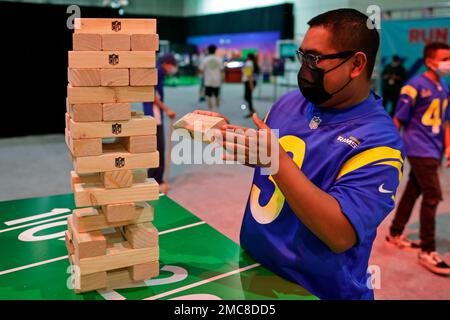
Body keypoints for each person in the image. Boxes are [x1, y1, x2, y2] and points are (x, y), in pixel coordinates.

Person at [194, 9, 403, 299]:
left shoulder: (380, 142)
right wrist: (225, 132)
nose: (305, 70)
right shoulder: (290, 103)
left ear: (356, 64)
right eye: (302, 56)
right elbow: (268, 157)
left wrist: (277, 161)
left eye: (315, 59)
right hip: (255, 272)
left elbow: (340, 233)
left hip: (317, 292)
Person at [386, 42, 450, 275]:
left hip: (434, 148)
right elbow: (398, 119)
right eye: (444, 58)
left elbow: (446, 120)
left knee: (414, 189)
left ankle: (395, 232)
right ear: (430, 61)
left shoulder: (443, 87)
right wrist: (391, 149)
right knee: (433, 195)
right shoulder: (413, 87)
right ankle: (427, 250)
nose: (448, 63)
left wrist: (448, 148)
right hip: (418, 147)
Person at [143, 54, 177, 193]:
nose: (173, 69)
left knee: (157, 148)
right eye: (172, 65)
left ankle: (156, 178)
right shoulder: (157, 72)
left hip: (152, 114)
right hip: (154, 115)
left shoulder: (157, 71)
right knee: (158, 148)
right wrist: (167, 110)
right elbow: (152, 95)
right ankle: (155, 179)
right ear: (167, 64)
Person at [199, 45, 224, 110]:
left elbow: (201, 70)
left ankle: (210, 111)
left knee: (209, 96)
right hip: (217, 81)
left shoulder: (205, 59)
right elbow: (222, 70)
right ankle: (217, 111)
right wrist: (222, 79)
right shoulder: (219, 59)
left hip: (208, 81)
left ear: (208, 50)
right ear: (215, 50)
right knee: (217, 96)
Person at [242, 53, 260, 118]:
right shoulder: (252, 63)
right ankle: (252, 110)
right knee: (248, 96)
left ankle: (252, 111)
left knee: (247, 96)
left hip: (249, 81)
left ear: (248, 57)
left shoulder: (249, 63)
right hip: (251, 81)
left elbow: (248, 74)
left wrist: (251, 84)